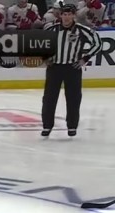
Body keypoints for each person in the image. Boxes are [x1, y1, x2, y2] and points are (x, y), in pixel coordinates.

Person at [41, 2, 102, 137]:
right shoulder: (52, 29)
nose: (67, 17)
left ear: (74, 15)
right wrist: (45, 57)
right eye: (64, 14)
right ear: (60, 15)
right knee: (49, 98)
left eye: (69, 14)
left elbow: (97, 43)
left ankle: (72, 126)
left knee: (73, 98)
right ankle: (47, 126)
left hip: (72, 68)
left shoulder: (82, 30)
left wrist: (85, 59)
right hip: (54, 68)